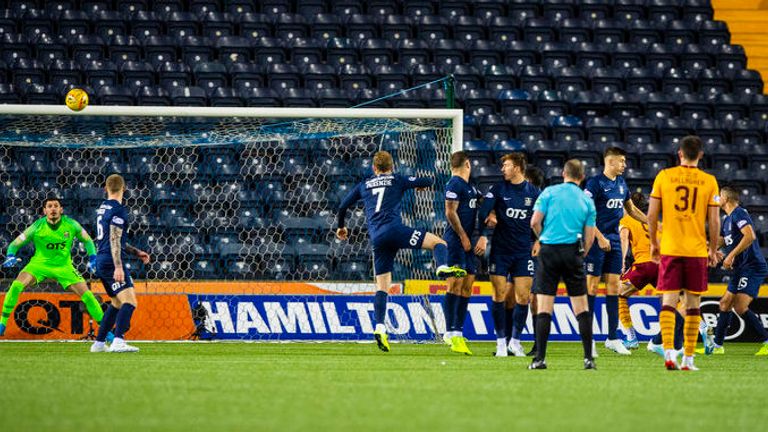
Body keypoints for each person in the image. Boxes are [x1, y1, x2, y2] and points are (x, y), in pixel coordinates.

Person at [336, 151, 466, 352]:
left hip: (378, 239)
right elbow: (428, 180)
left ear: (374, 168)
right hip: (396, 231)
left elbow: (343, 206)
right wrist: (418, 185)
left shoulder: (364, 184)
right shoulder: (397, 179)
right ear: (392, 166)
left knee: (382, 286)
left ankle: (379, 327)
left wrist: (341, 227)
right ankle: (441, 267)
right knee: (438, 243)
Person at [648, 135, 720, 371]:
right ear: (700, 155)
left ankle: (669, 353)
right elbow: (714, 219)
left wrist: (653, 243)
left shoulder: (664, 176)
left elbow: (651, 215)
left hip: (670, 247)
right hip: (696, 250)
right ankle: (688, 359)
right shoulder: (709, 181)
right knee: (692, 305)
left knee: (668, 302)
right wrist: (712, 249)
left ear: (680, 153)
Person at [528, 159, 597, 370]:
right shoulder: (587, 200)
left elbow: (534, 222)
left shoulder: (549, 192)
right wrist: (582, 252)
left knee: (545, 306)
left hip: (549, 250)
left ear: (563, 173)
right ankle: (588, 359)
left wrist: (544, 237)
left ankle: (540, 359)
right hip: (573, 251)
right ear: (582, 177)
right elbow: (590, 236)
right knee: (581, 307)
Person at [0, 198, 104, 336]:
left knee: (88, 296)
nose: (53, 209)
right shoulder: (37, 227)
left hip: (64, 267)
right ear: (45, 211)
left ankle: (106, 333)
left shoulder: (71, 224)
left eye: (56, 206)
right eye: (49, 206)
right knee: (16, 286)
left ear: (61, 209)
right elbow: (14, 244)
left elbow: (88, 241)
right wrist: (10, 255)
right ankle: (2, 325)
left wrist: (93, 258)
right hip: (39, 265)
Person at [583, 147, 648, 356]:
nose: (625, 165)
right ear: (609, 162)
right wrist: (600, 237)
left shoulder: (621, 184)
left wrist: (651, 223)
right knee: (591, 287)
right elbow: (585, 212)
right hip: (596, 240)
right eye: (621, 161)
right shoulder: (595, 183)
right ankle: (589, 340)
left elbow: (631, 210)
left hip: (614, 242)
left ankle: (612, 338)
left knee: (614, 288)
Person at [478, 153, 540, 357]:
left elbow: (542, 220)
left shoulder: (534, 192)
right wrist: (484, 232)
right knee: (499, 295)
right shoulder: (498, 189)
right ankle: (500, 343)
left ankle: (515, 341)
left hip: (523, 251)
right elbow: (482, 213)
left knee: (523, 296)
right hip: (500, 250)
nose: (502, 169)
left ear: (517, 168)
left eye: (506, 165)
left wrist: (540, 240)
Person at [699, 186, 768, 356]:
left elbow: (750, 236)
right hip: (741, 268)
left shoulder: (739, 213)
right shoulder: (728, 218)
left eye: (719, 196)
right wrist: (712, 249)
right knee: (724, 304)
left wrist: (730, 255)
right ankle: (717, 345)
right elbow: (723, 239)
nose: (717, 198)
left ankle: (766, 340)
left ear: (727, 199)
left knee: (740, 306)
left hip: (752, 267)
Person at [90, 174, 151, 353]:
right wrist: (118, 266)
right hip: (111, 261)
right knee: (130, 301)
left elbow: (115, 239)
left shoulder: (103, 208)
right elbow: (115, 240)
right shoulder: (118, 210)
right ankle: (118, 340)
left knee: (116, 303)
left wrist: (135, 252)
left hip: (102, 259)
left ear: (105, 189)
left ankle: (99, 343)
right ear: (124, 189)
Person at [442, 151, 484, 356]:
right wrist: (463, 236)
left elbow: (484, 205)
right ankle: (449, 331)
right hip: (455, 241)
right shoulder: (454, 184)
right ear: (467, 163)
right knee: (454, 284)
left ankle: (458, 329)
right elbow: (450, 211)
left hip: (470, 242)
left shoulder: (472, 188)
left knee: (467, 286)